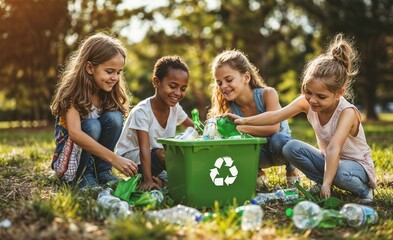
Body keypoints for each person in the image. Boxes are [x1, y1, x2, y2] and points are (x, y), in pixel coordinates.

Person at [229, 34, 376, 203]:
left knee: (340, 174)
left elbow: (334, 148)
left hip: (355, 167)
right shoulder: (307, 102)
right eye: (308, 92)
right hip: (328, 161)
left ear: (339, 93)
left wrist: (328, 183)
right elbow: (276, 116)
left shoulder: (347, 112)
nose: (313, 100)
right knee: (291, 147)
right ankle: (323, 182)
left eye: (321, 96)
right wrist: (243, 121)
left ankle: (364, 191)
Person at [50, 32, 138, 189]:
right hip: (70, 161)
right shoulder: (73, 93)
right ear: (90, 67)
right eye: (109, 71)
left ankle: (102, 172)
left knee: (115, 118)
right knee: (92, 126)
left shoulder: (108, 93)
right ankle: (84, 175)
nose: (115, 78)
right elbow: (75, 134)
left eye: (118, 72)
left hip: (96, 156)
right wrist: (115, 159)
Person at [207, 49, 300, 187]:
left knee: (278, 139)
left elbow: (273, 129)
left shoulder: (268, 94)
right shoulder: (229, 109)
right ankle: (257, 172)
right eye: (219, 82)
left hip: (279, 149)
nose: (223, 86)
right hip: (258, 154)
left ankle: (291, 170)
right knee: (230, 145)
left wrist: (240, 128)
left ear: (246, 77)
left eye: (228, 80)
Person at [116, 56, 194, 191]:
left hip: (156, 159)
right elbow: (144, 148)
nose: (178, 93)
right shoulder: (142, 112)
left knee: (176, 161)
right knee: (165, 154)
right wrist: (148, 180)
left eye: (183, 88)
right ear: (156, 82)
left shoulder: (175, 108)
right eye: (173, 86)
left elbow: (193, 127)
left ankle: (161, 180)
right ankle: (147, 179)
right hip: (131, 161)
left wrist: (209, 135)